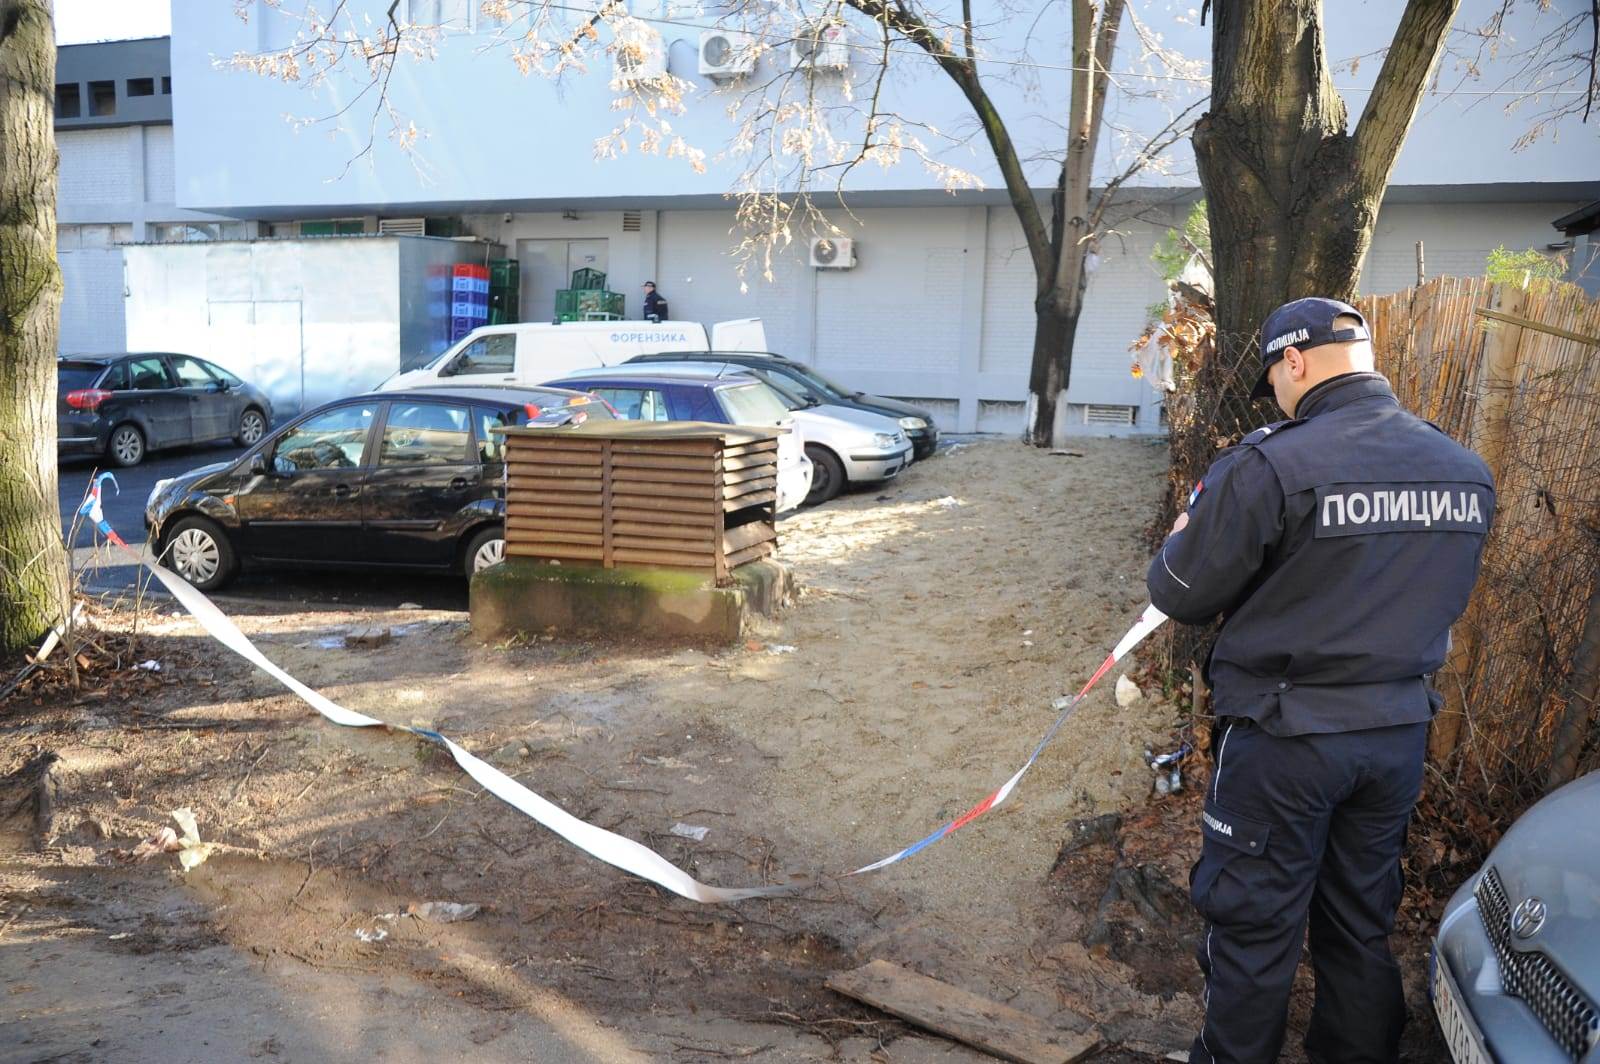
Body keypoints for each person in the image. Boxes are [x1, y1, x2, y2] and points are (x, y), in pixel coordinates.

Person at [1146, 297, 1494, 1064]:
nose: (1275, 392)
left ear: (1293, 361)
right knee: (1362, 919)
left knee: (1252, 926)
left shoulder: (1273, 463)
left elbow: (1180, 592)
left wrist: (1181, 539)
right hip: (1396, 737)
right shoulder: (1464, 470)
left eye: (1273, 376)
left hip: (1285, 743)